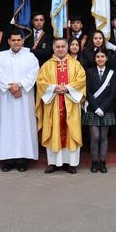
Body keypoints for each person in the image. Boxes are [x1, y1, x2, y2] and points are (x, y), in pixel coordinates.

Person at [0, 30, 40, 171]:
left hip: (24, 98)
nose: (16, 42)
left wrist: (20, 85)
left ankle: (22, 160)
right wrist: (11, 87)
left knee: (23, 128)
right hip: (6, 98)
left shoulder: (31, 57)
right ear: (9, 41)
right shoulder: (0, 56)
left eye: (19, 40)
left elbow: (34, 74)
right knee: (6, 127)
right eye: (13, 40)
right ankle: (8, 160)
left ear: (23, 41)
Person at [37, 38, 87, 173]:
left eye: (63, 47)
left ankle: (70, 163)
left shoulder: (76, 65)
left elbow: (81, 80)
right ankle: (53, 163)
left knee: (71, 131)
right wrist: (54, 88)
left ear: (67, 48)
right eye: (57, 47)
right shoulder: (46, 66)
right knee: (53, 131)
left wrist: (67, 89)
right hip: (53, 104)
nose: (60, 49)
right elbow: (41, 82)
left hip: (70, 104)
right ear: (53, 49)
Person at [83, 50, 116, 173]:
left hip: (106, 109)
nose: (100, 59)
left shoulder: (111, 73)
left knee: (103, 137)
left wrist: (102, 108)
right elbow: (87, 91)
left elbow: (112, 92)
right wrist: (96, 107)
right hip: (93, 109)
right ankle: (94, 162)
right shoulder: (89, 72)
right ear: (95, 59)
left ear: (107, 58)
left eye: (103, 56)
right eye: (98, 56)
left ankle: (102, 162)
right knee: (95, 136)